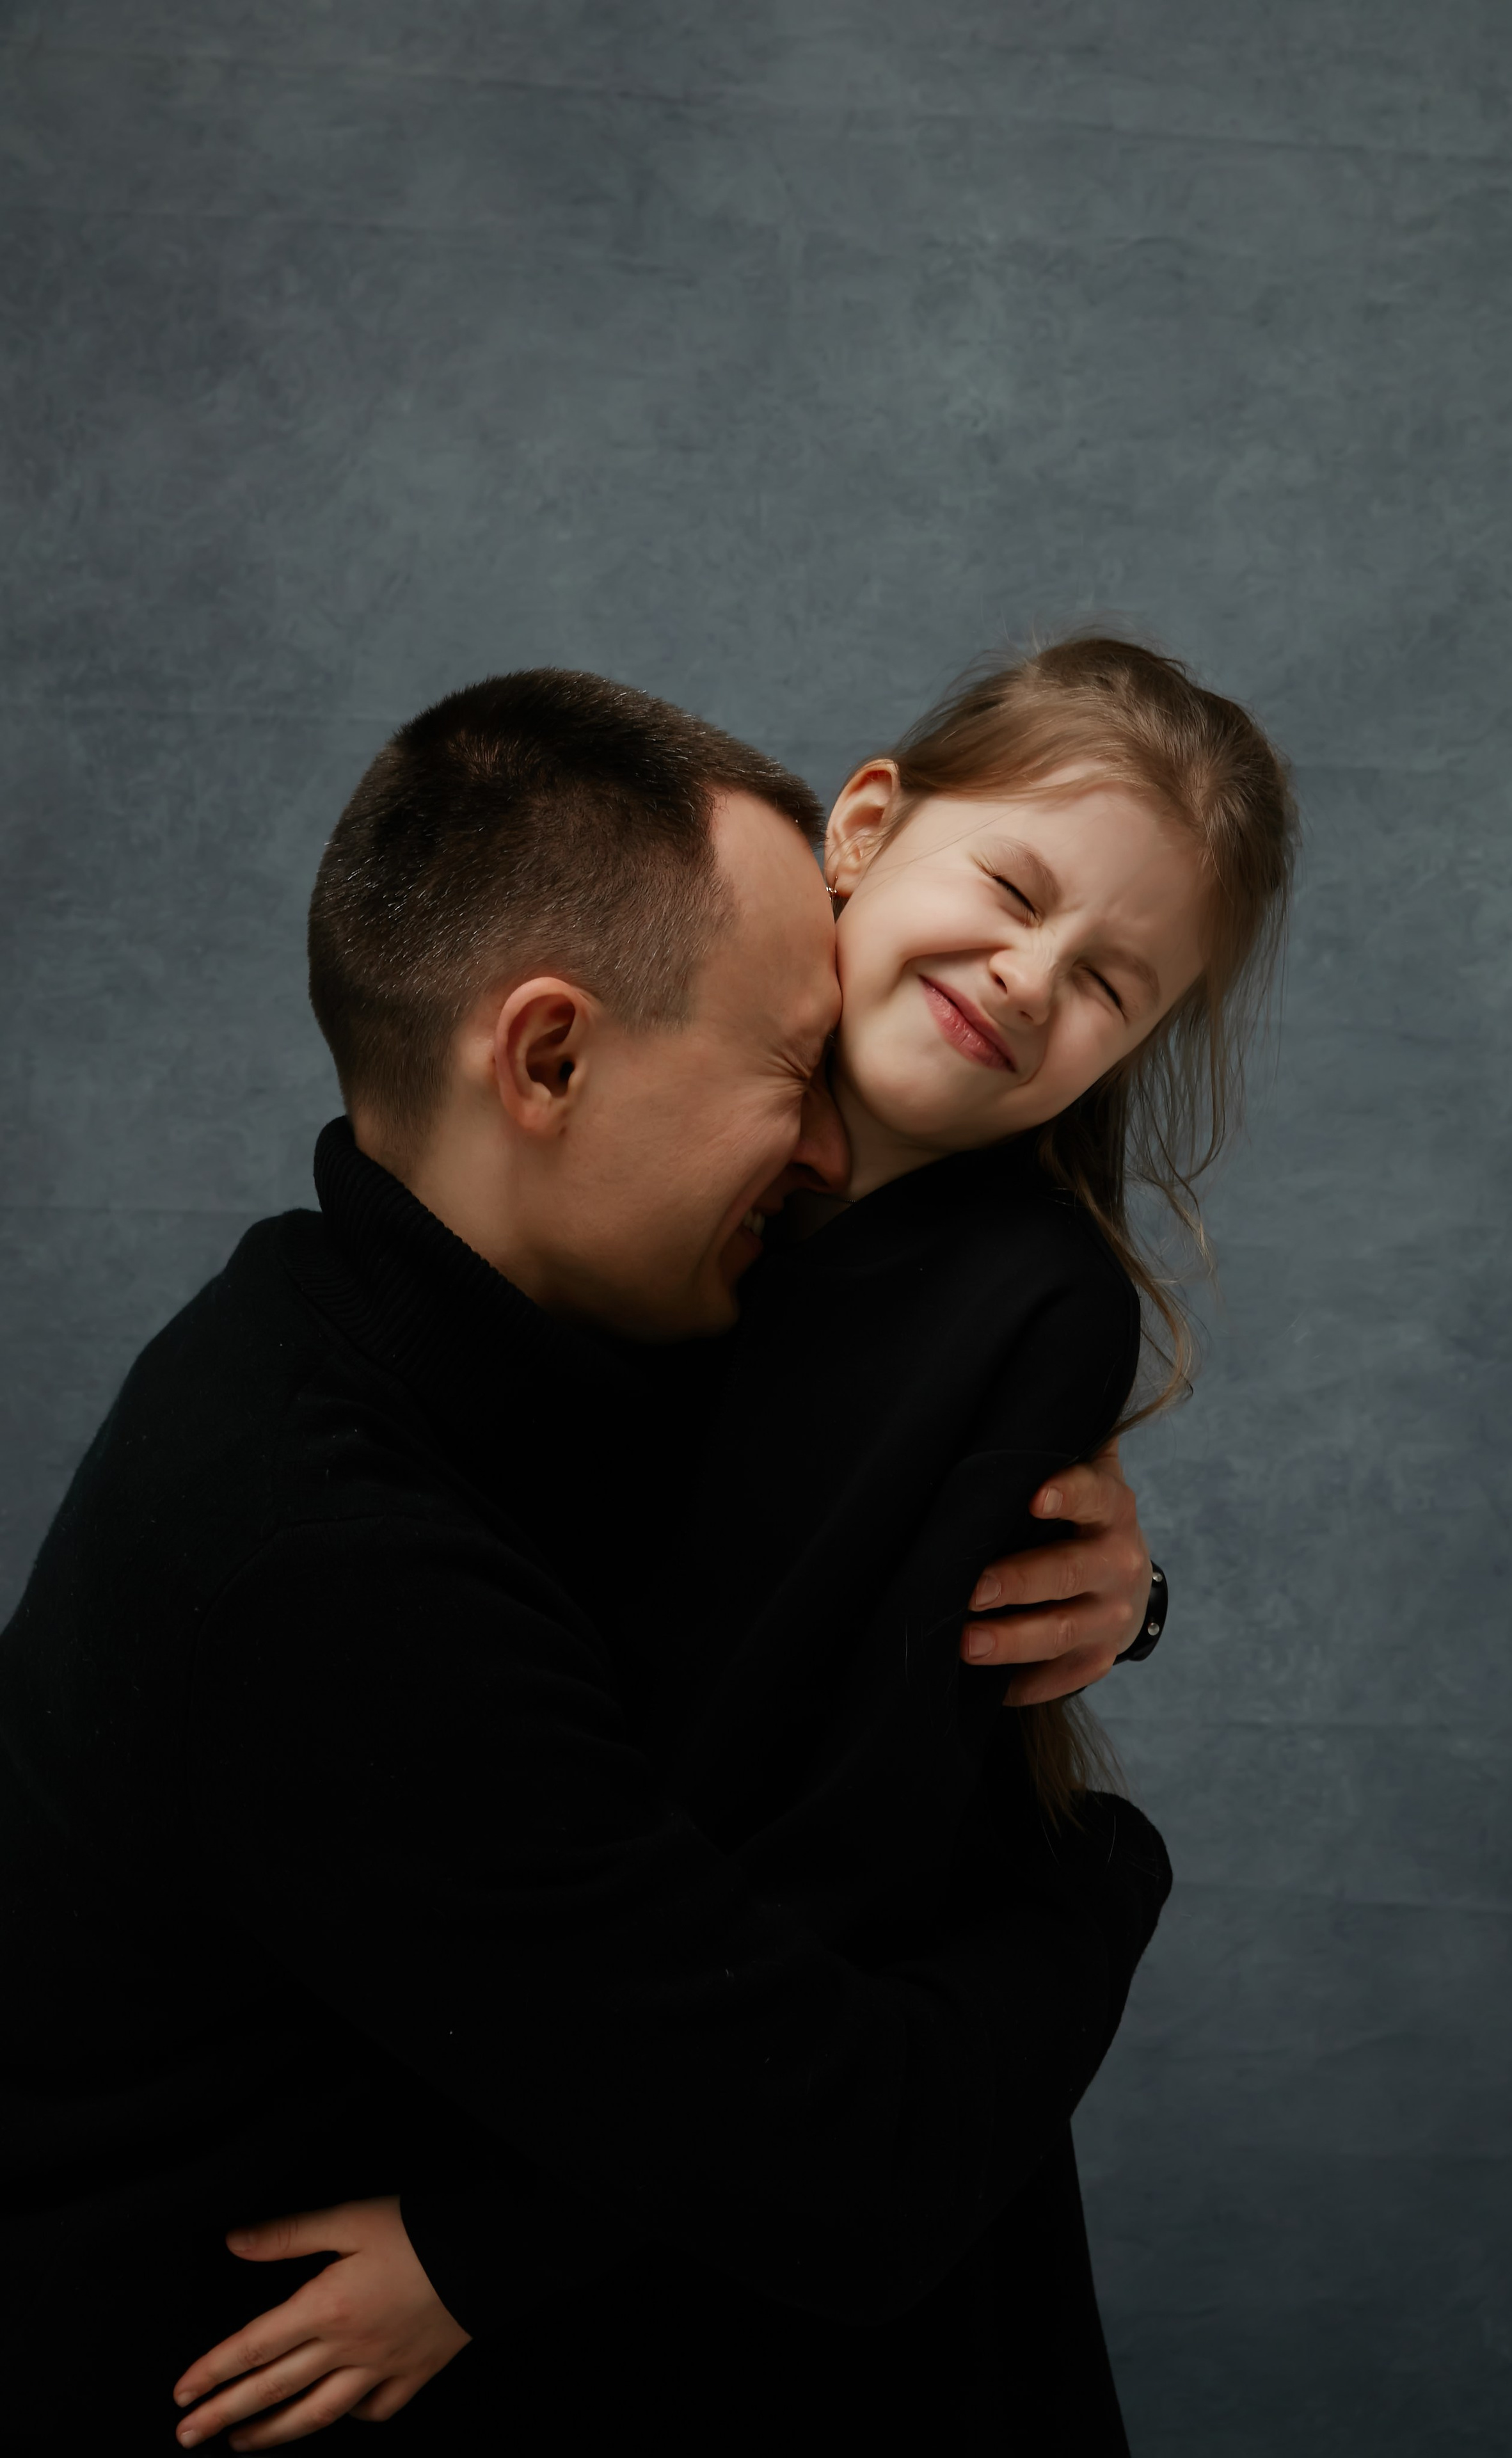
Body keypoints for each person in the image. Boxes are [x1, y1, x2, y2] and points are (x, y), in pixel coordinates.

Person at [0, 670, 1163, 2452]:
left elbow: (811, 1551)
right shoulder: (323, 1567)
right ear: (550, 1057)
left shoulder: (473, 1331)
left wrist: (1116, 1587)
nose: (832, 1148)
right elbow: (850, 2162)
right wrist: (1099, 1876)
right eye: (795, 1068)